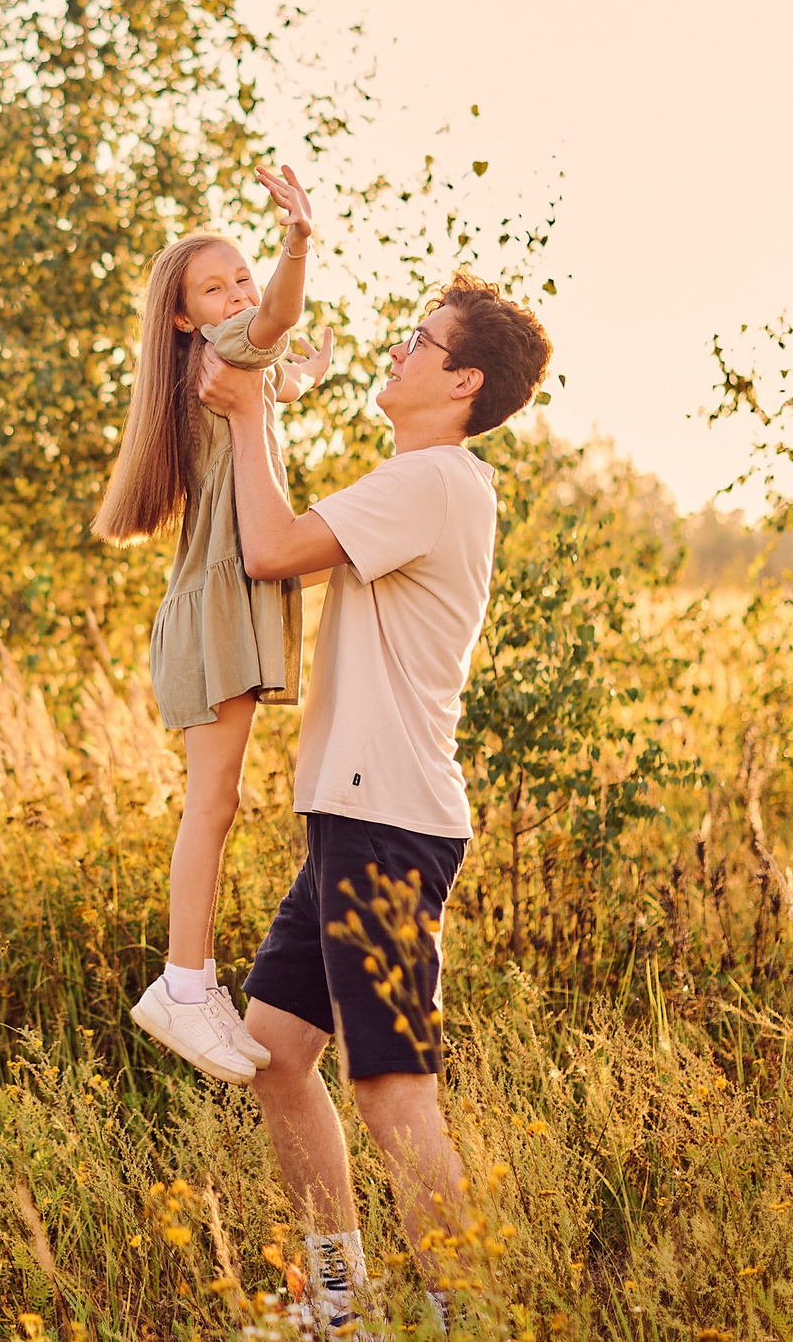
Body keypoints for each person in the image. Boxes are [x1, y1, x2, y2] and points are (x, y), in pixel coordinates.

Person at [197, 270, 552, 1333]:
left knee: (392, 1084)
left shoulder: (435, 479)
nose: (397, 350)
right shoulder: (416, 483)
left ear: (463, 379)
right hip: (358, 816)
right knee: (274, 1050)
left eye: (419, 339)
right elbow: (281, 537)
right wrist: (253, 413)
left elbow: (270, 549)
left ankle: (465, 1312)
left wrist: (252, 403)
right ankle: (339, 1306)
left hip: (388, 821)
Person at [91, 165, 337, 1085]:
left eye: (242, 275)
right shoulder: (228, 348)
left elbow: (270, 374)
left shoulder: (230, 368)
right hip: (214, 607)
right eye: (218, 287)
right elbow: (272, 320)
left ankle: (191, 980)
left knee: (222, 800)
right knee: (214, 801)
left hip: (220, 602)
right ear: (189, 319)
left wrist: (301, 379)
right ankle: (183, 983)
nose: (239, 293)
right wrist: (296, 241)